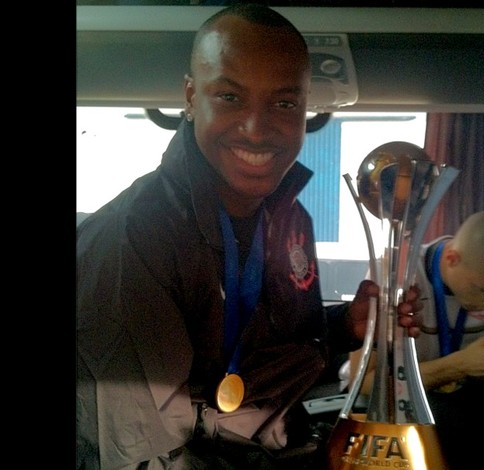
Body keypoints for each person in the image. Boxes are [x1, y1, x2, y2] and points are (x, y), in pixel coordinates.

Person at [76, 4, 423, 470]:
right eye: (230, 98)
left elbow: (274, 354)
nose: (258, 130)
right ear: (190, 96)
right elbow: (144, 452)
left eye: (283, 104)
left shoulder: (290, 217)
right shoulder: (131, 241)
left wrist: (345, 327)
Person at [348, 209, 484, 470]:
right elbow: (364, 382)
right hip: (396, 401)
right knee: (451, 422)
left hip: (465, 396)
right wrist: (459, 365)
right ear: (451, 258)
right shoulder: (398, 276)